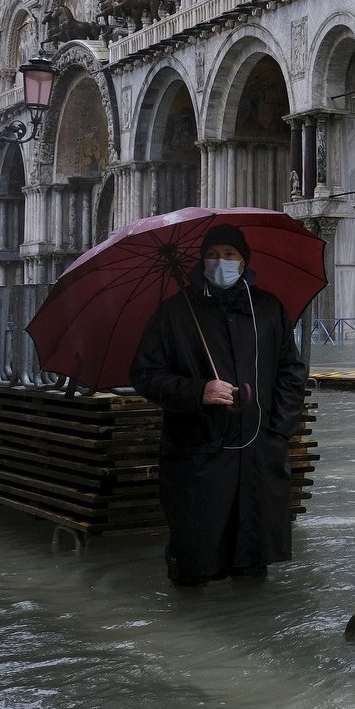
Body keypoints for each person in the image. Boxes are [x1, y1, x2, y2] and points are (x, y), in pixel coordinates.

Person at [131, 224, 307, 587]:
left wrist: (279, 428)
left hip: (259, 452)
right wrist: (198, 391)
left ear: (244, 262)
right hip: (199, 453)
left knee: (253, 564)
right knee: (195, 560)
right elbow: (145, 374)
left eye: (230, 255)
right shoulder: (175, 313)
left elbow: (291, 371)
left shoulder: (268, 309)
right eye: (213, 254)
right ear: (201, 259)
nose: (221, 262)